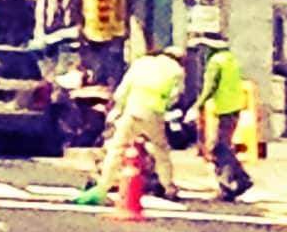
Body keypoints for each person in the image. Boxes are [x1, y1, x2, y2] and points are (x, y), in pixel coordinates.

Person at [85, 41, 186, 203]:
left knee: (117, 149)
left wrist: (118, 108)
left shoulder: (141, 63)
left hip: (132, 110)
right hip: (153, 113)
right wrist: (166, 106)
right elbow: (175, 95)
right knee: (161, 151)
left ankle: (103, 185)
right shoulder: (177, 70)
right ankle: (168, 187)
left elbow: (122, 91)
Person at [193, 32, 253, 200]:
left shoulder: (215, 62)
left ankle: (229, 185)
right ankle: (240, 179)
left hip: (225, 108)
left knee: (219, 148)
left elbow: (209, 87)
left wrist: (197, 105)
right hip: (235, 106)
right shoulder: (231, 59)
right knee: (223, 146)